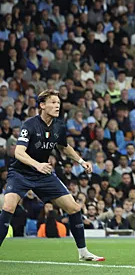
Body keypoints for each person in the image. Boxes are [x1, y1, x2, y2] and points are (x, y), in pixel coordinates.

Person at [0, 89, 104, 261]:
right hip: (21, 173)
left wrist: (81, 161)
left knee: (74, 208)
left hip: (43, 174)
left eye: (58, 103)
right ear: (42, 105)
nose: (57, 106)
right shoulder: (29, 125)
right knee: (9, 207)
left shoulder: (59, 126)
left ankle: (83, 252)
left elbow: (64, 147)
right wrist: (37, 164)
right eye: (53, 102)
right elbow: (18, 152)